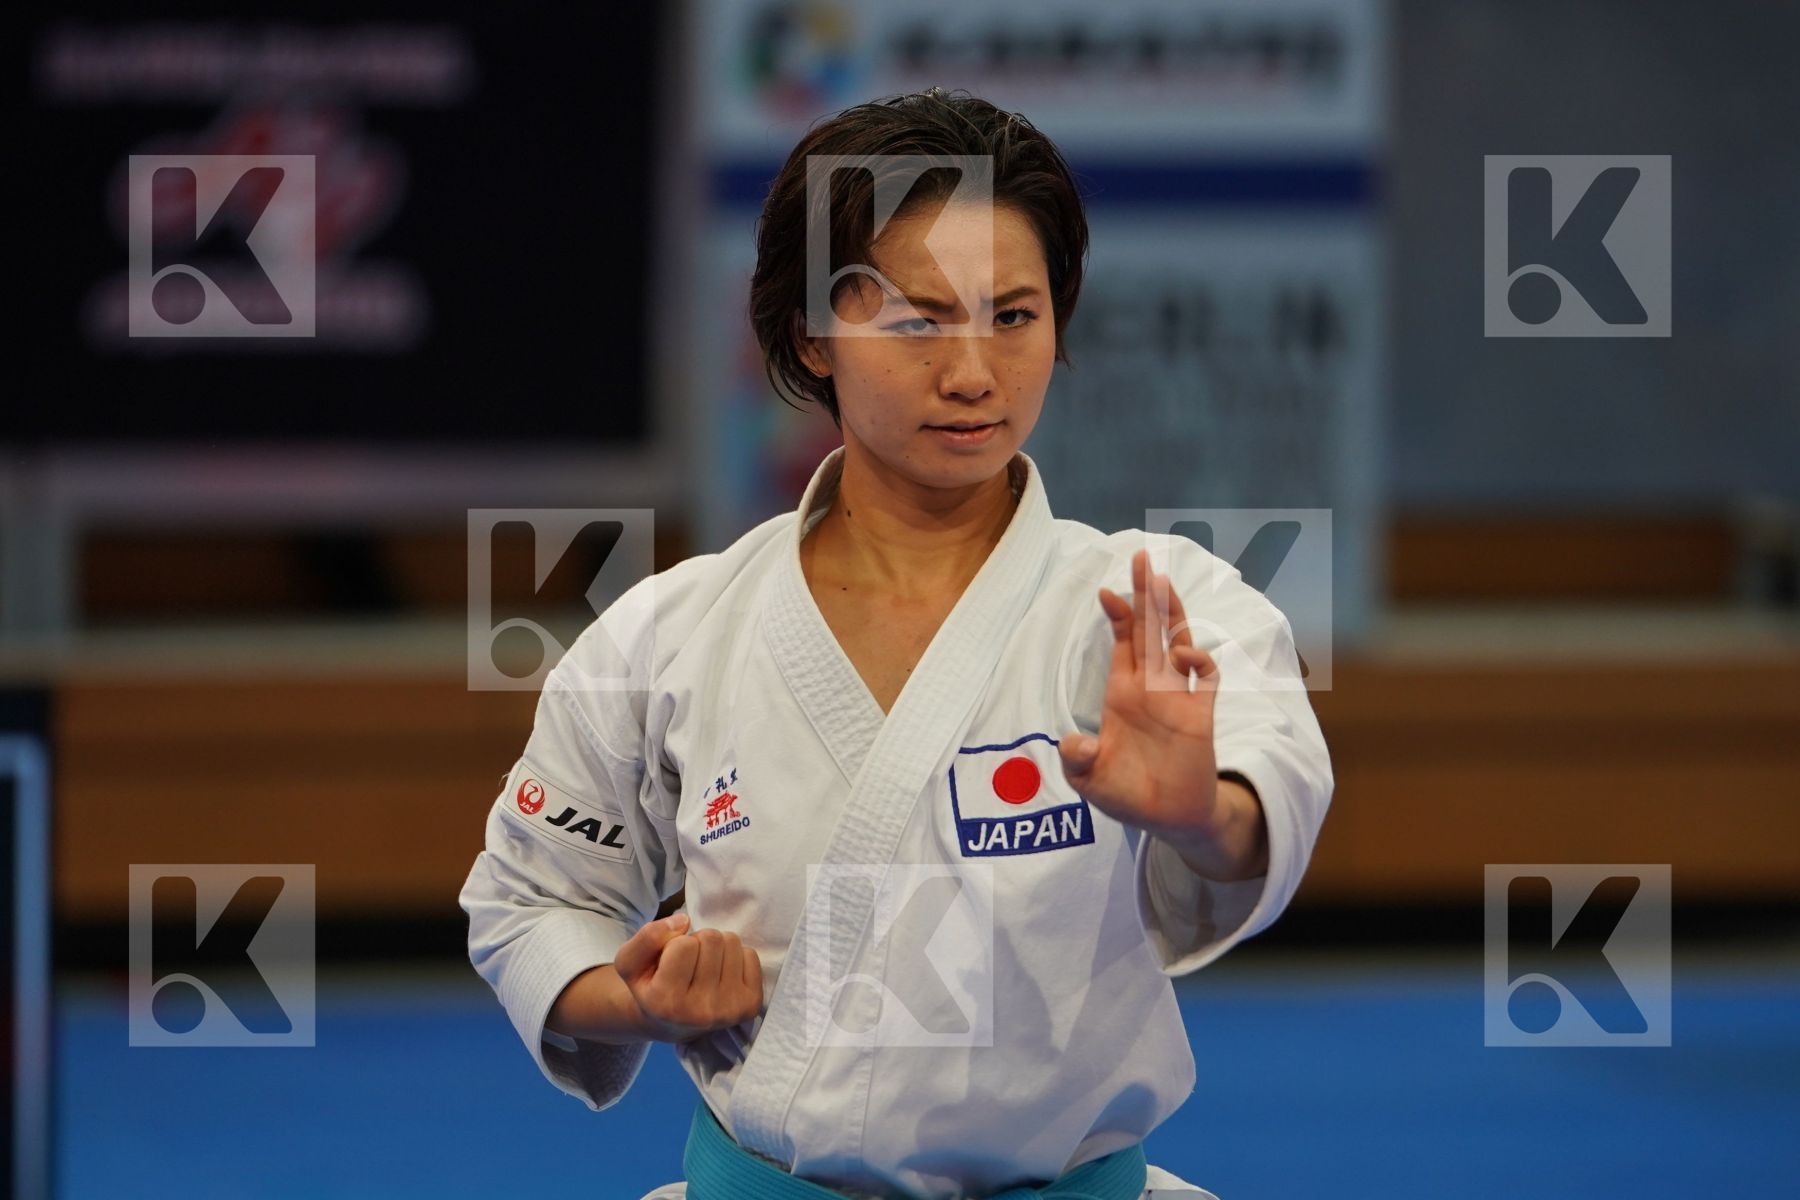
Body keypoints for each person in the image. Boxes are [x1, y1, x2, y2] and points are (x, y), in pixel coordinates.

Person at [460, 88, 1333, 1200]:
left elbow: (1270, 787)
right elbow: (529, 902)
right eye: (917, 320)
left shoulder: (1152, 604)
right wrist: (635, 999)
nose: (972, 372)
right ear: (810, 336)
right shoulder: (671, 632)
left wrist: (1200, 812)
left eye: (1013, 316)